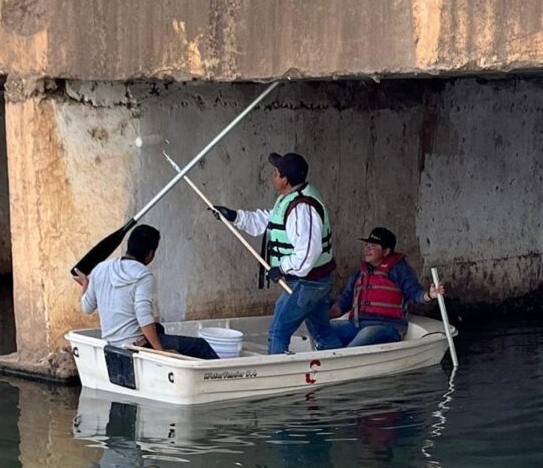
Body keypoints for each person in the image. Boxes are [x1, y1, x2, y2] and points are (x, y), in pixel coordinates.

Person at [213, 152, 341, 355]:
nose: (272, 176)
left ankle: (276, 376)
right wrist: (234, 216)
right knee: (322, 332)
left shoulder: (303, 208)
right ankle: (338, 366)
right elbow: (268, 221)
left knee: (278, 332)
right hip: (314, 282)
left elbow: (308, 253)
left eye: (275, 173)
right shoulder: (290, 199)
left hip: (308, 283)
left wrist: (281, 268)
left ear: (285, 179)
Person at [73, 224, 219, 360]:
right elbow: (143, 316)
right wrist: (160, 352)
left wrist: (86, 283)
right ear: (150, 254)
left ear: (129, 246)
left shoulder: (100, 269)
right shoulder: (142, 274)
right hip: (134, 344)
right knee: (200, 345)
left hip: (111, 343)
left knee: (158, 328)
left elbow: (87, 307)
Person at [329, 226, 443, 347]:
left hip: (387, 327)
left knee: (366, 334)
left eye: (373, 246)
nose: (368, 249)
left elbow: (414, 292)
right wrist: (324, 315)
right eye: (367, 245)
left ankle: (345, 356)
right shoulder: (360, 271)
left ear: (386, 251)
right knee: (323, 329)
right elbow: (345, 298)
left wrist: (429, 295)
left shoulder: (399, 269)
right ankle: (331, 357)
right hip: (357, 325)